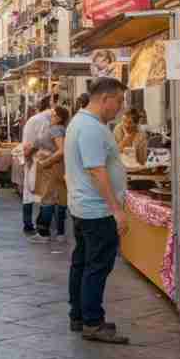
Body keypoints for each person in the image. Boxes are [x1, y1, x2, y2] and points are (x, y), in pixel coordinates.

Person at [64, 77, 130, 344]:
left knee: (82, 263)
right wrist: (116, 209)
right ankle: (92, 321)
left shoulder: (80, 123)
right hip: (97, 210)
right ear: (106, 99)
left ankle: (79, 315)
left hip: (84, 207)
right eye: (120, 101)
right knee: (96, 267)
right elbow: (96, 169)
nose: (121, 108)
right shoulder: (90, 128)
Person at [32, 106, 70, 243]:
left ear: (59, 118)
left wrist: (46, 162)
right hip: (57, 168)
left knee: (48, 199)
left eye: (53, 115)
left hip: (52, 169)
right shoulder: (58, 129)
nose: (50, 116)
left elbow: (61, 151)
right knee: (59, 199)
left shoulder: (56, 129)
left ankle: (43, 233)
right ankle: (60, 233)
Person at [20, 97, 53, 234]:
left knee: (28, 194)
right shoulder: (46, 120)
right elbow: (39, 141)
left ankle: (28, 224)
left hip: (32, 159)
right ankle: (42, 227)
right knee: (46, 195)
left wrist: (27, 155)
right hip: (41, 160)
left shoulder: (33, 119)